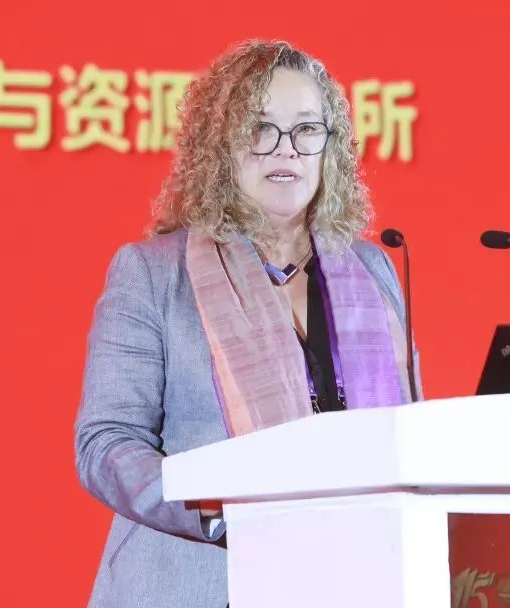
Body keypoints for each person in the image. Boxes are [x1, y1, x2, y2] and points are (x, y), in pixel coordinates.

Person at [73, 39, 423, 608]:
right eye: (260, 129)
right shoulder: (154, 274)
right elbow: (106, 444)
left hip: (355, 578)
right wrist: (218, 509)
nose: (286, 149)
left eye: (306, 129)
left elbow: (406, 436)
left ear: (331, 146)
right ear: (221, 146)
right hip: (201, 580)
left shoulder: (372, 269)